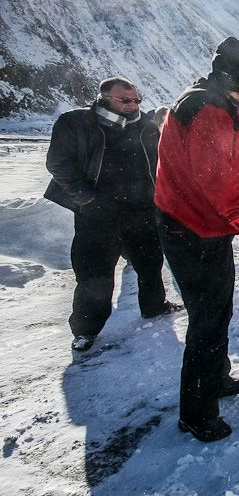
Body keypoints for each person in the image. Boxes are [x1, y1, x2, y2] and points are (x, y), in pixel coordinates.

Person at [155, 36, 239, 442]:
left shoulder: (203, 100)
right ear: (230, 82)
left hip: (191, 223)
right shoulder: (211, 111)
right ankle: (197, 412)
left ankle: (216, 379)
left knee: (214, 312)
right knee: (208, 319)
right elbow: (215, 178)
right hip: (195, 229)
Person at [44, 77, 181, 352]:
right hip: (97, 214)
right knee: (94, 274)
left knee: (150, 264)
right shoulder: (77, 123)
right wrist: (87, 199)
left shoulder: (145, 126)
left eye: (136, 100)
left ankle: (155, 306)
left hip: (142, 210)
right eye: (125, 100)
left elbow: (160, 163)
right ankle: (86, 330)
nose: (133, 105)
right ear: (104, 98)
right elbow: (58, 164)